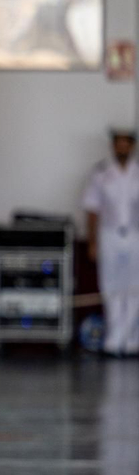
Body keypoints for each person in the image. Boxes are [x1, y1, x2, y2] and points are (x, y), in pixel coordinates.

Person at [83, 126, 139, 355]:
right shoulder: (102, 173)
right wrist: (92, 241)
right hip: (109, 234)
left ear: (132, 146)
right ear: (113, 145)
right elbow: (92, 208)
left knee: (135, 286)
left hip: (135, 234)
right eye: (119, 143)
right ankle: (114, 339)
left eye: (127, 143)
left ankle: (132, 339)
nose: (123, 147)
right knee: (111, 285)